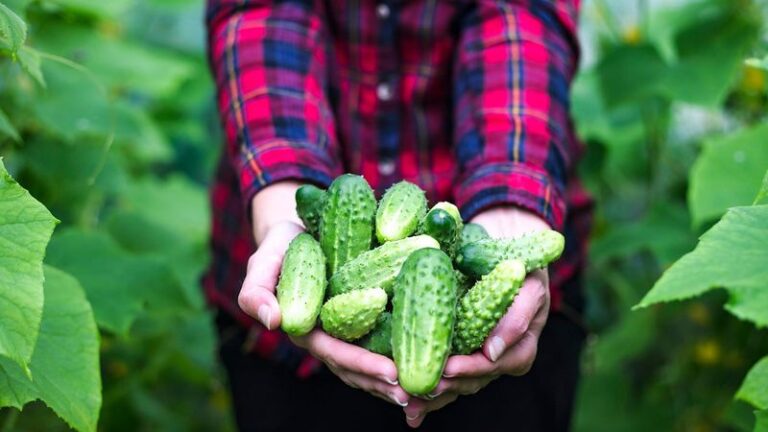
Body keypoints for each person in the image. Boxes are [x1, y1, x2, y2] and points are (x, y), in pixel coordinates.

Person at [203, 1, 593, 430]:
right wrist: (283, 194)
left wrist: (511, 196)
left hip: (503, 297)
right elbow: (264, 15)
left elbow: (520, 18)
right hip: (283, 338)